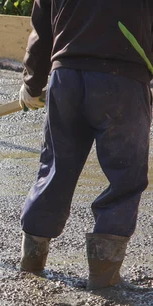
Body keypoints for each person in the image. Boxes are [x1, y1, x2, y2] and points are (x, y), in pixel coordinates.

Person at [18, 0, 153, 290]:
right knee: (124, 176)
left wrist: (32, 82)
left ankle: (32, 259)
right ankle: (104, 275)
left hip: (66, 76)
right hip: (123, 80)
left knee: (56, 166)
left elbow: (42, 29)